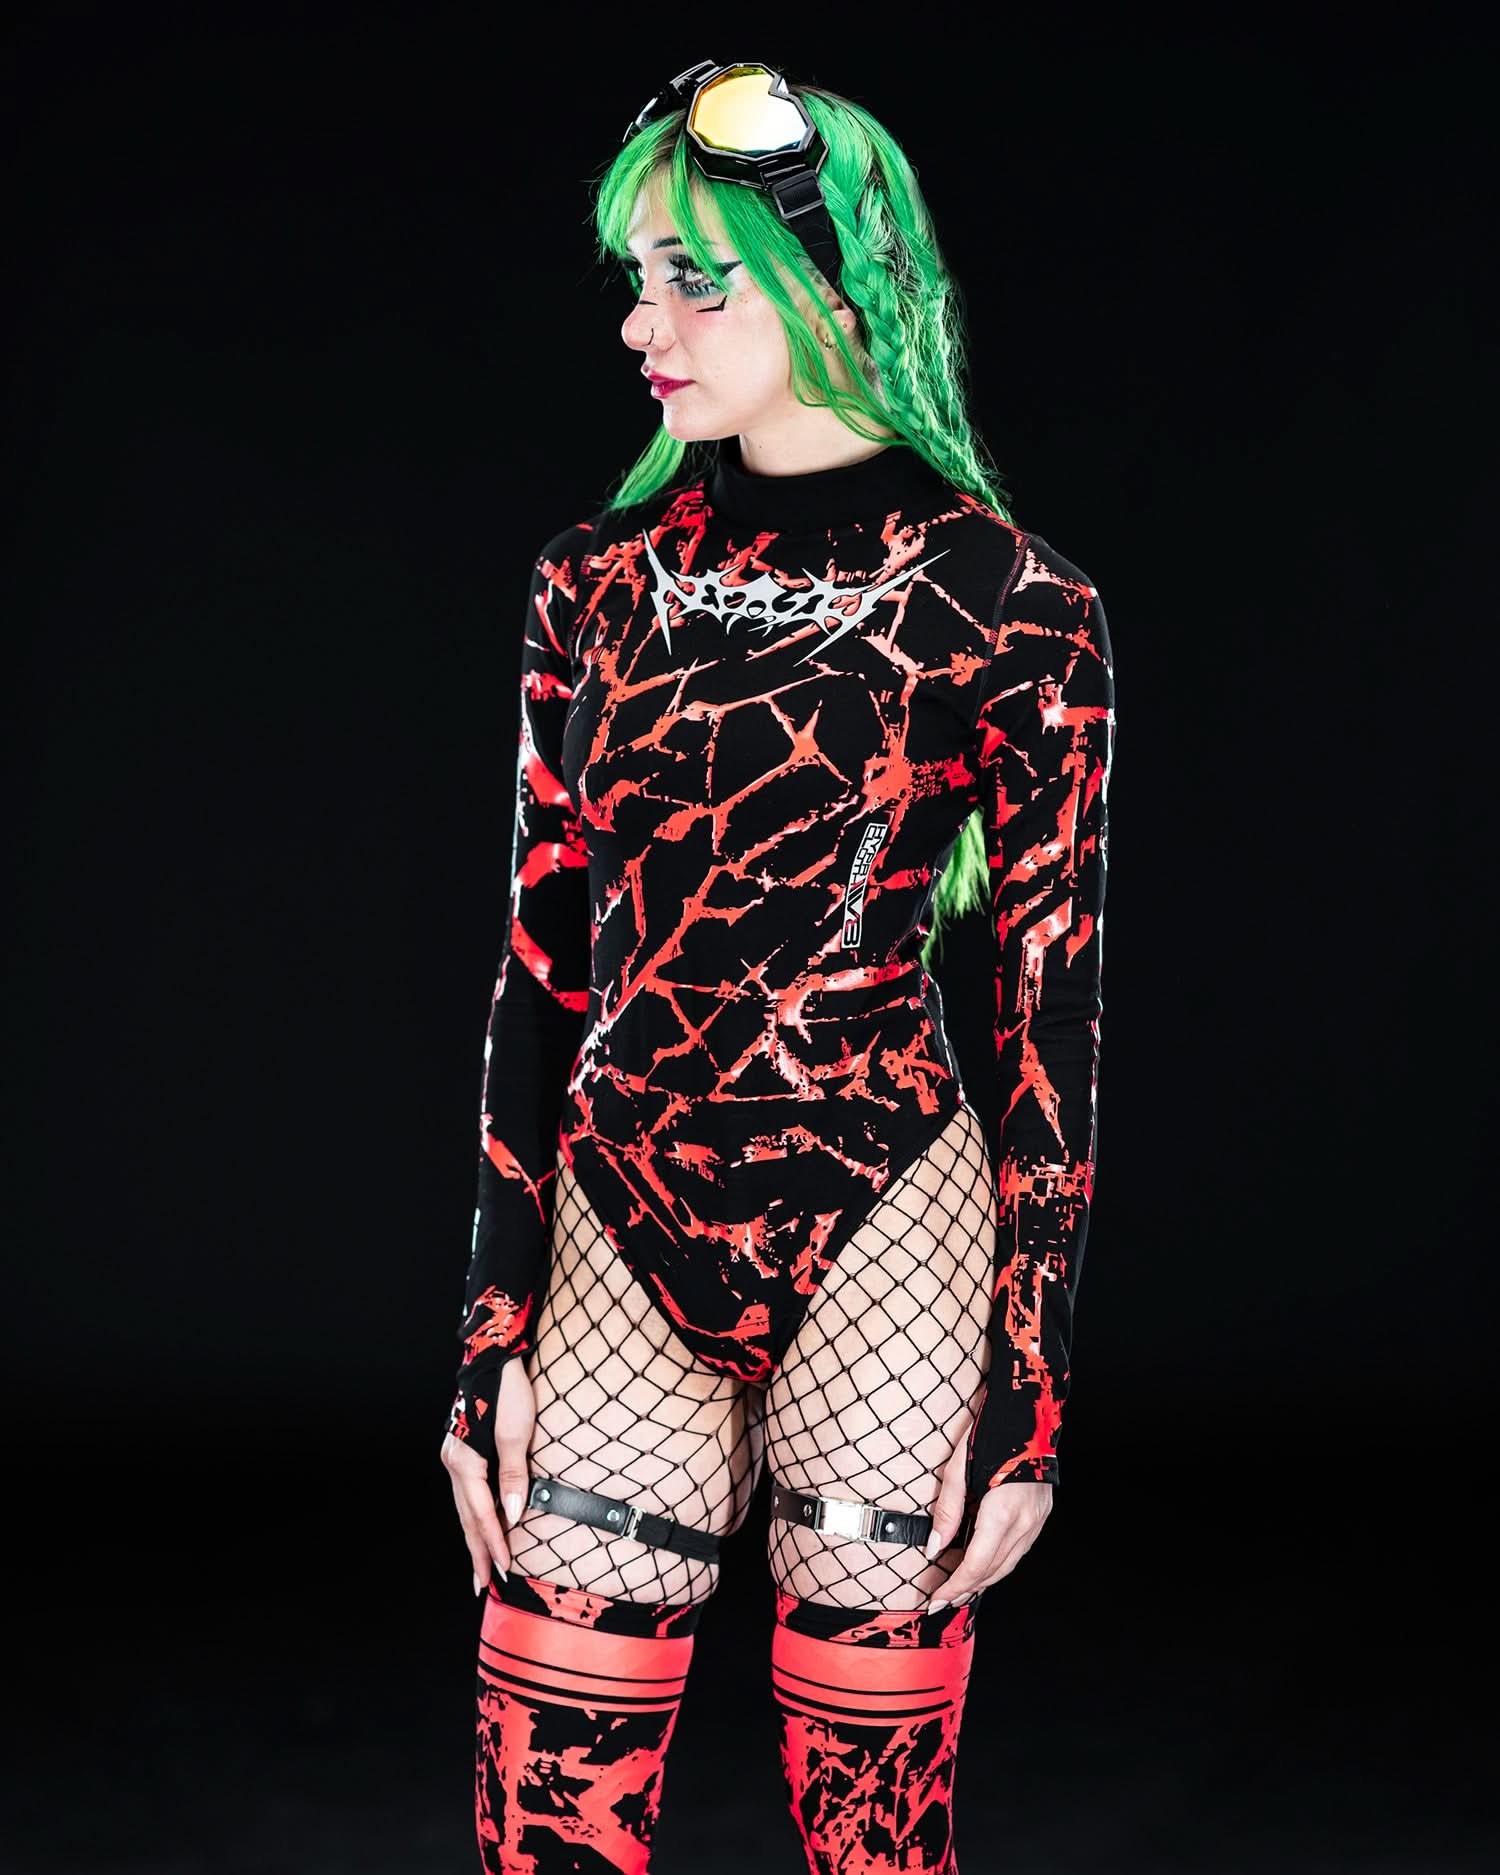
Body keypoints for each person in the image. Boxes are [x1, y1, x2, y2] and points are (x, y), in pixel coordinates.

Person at [439, 61, 1117, 1875]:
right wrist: (489, 1328)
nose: (642, 323)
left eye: (695, 276)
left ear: (832, 280)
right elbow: (539, 963)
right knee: (549, 1821)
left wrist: (1031, 1385)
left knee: (873, 1835)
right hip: (622, 1202)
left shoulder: (1014, 603)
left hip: (889, 1206)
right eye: (637, 277)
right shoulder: (590, 585)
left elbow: (1044, 1008)